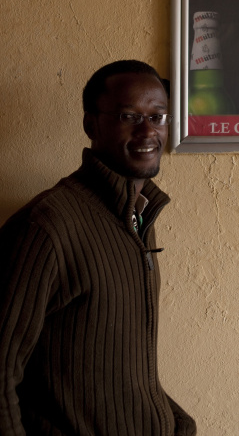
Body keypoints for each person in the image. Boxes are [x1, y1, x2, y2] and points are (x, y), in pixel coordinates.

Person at [0, 60, 196, 435]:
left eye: (158, 116)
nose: (147, 132)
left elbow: (116, 365)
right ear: (91, 124)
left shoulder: (138, 216)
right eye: (129, 115)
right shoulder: (46, 226)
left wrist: (176, 422)